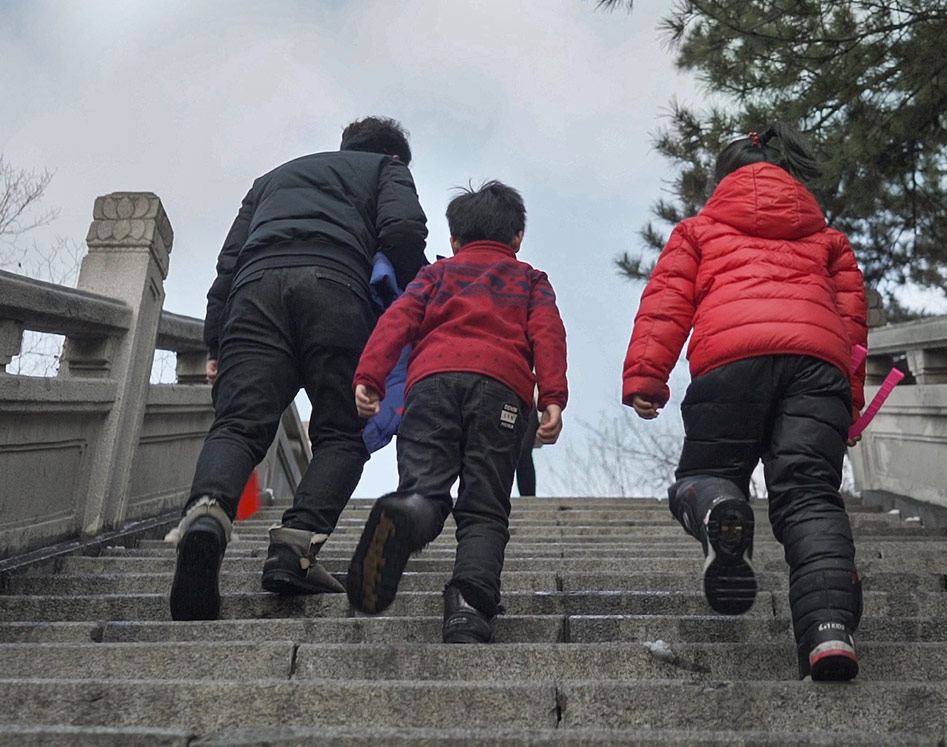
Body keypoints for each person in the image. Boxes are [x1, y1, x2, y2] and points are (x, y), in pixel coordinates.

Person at [621, 123, 868, 681]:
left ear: (721, 179)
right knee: (810, 496)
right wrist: (848, 400)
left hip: (730, 362)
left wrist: (646, 376)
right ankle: (829, 632)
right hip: (817, 369)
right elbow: (852, 326)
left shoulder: (699, 230)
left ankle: (715, 511)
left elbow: (666, 302)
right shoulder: (826, 239)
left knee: (706, 474)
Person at [168, 117, 428, 621]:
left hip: (254, 290)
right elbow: (403, 230)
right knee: (343, 432)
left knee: (238, 425)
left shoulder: (271, 179)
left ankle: (206, 515)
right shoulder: (386, 171)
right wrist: (411, 296)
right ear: (394, 156)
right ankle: (294, 548)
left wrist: (215, 340)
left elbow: (228, 262)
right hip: (336, 289)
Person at [347, 180, 567, 644]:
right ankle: (468, 606)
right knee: (485, 507)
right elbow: (548, 334)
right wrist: (551, 398)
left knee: (426, 488)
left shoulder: (435, 275)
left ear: (453, 240)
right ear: (517, 238)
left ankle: (409, 509)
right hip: (502, 392)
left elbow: (397, 320)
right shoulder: (530, 279)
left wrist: (369, 377)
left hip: (430, 386)